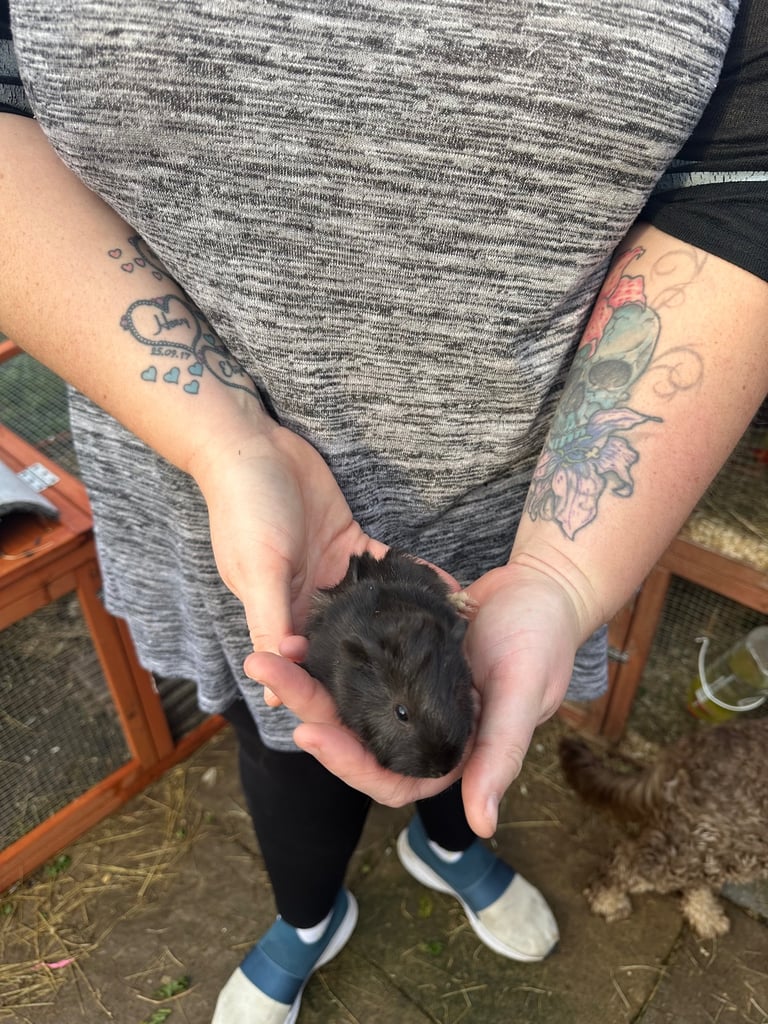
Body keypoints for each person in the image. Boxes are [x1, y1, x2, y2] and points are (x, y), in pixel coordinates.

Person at [1, 1, 766, 1021]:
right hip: (216, 497)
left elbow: (743, 186)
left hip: (530, 506)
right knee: (280, 739)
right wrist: (228, 443)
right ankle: (308, 913)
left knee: (484, 729)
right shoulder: (338, 645)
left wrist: (561, 575)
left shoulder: (453, 641)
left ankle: (447, 843)